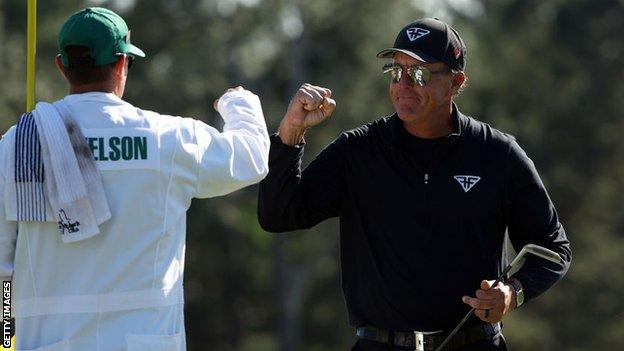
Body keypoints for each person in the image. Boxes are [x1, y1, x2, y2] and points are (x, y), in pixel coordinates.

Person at [258, 18, 571, 351]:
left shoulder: (498, 154)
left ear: (455, 82)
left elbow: (553, 248)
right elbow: (280, 215)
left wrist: (513, 292)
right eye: (396, 72)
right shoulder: (358, 152)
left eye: (419, 73)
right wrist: (291, 133)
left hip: (474, 344)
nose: (403, 84)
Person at [0, 7, 269, 350]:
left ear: (61, 66)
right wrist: (238, 102)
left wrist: (5, 336)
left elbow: (2, 273)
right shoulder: (166, 138)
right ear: (121, 64)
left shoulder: (16, 147)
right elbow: (251, 157)